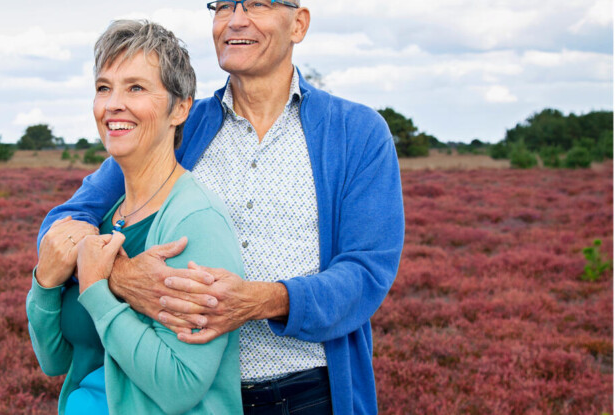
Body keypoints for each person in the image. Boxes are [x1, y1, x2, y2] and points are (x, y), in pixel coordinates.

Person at [37, 1, 405, 414]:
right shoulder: (180, 121)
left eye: (258, 4)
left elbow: (366, 272)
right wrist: (121, 275)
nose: (236, 19)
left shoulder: (356, 133)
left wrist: (263, 300)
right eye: (224, 6)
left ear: (298, 23)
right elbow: (63, 221)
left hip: (310, 394)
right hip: (189, 399)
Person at [27, 20, 245, 414]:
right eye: (103, 87)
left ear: (180, 108)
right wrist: (44, 282)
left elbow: (183, 385)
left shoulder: (195, 221)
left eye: (136, 88)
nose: (113, 104)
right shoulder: (108, 216)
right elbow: (54, 361)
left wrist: (95, 286)